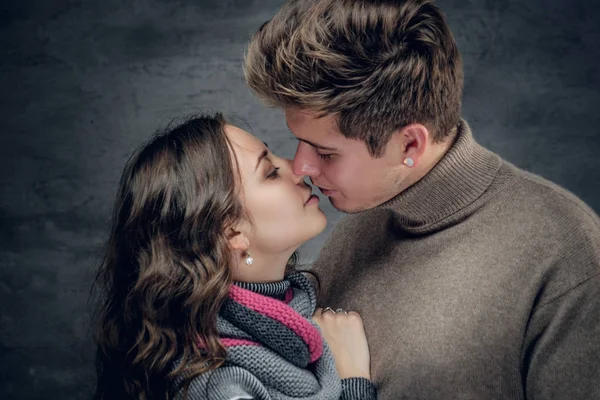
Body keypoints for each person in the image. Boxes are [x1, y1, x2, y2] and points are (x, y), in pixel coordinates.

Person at [243, 0, 600, 399]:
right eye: (300, 143)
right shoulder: (355, 230)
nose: (301, 166)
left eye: (325, 153)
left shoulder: (568, 254)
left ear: (410, 143)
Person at [92, 113, 377, 400]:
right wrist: (353, 380)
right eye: (271, 172)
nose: (298, 168)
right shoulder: (219, 387)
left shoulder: (299, 310)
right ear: (230, 234)